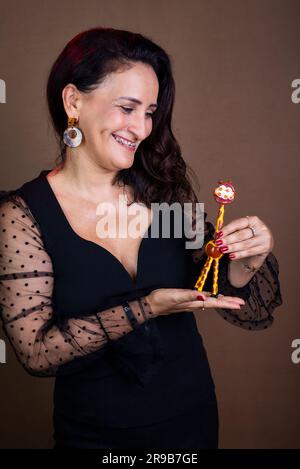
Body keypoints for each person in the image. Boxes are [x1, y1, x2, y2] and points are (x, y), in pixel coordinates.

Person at [0, 26, 282, 449]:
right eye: (128, 107)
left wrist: (247, 258)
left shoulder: (160, 191)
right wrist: (147, 307)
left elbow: (223, 288)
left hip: (190, 419)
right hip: (95, 435)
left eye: (149, 112)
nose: (142, 128)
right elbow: (37, 353)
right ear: (74, 101)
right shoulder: (21, 215)